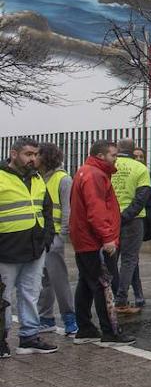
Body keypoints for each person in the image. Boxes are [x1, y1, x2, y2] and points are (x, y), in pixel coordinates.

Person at [68, 139, 134, 347]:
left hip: (84, 239)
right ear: (100, 156)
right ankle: (110, 331)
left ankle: (85, 327)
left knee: (87, 283)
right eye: (113, 155)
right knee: (103, 285)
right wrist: (107, 238)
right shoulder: (95, 175)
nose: (116, 159)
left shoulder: (85, 171)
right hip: (95, 241)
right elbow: (96, 210)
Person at [0, 137, 56, 354]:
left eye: (35, 154)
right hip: (7, 248)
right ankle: (1, 340)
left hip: (34, 247)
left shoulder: (36, 178)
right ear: (14, 154)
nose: (33, 159)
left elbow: (47, 209)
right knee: (3, 298)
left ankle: (29, 336)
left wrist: (47, 238)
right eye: (28, 154)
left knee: (31, 293)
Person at [36, 142, 76, 335]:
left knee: (58, 278)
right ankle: (45, 318)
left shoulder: (63, 179)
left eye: (37, 154)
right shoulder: (38, 178)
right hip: (40, 236)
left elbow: (68, 210)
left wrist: (62, 235)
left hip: (55, 237)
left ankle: (69, 318)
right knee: (44, 279)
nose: (34, 158)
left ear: (46, 157)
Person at [110, 138, 150, 314]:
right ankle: (121, 299)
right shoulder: (140, 168)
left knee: (111, 259)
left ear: (118, 149)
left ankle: (110, 295)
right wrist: (126, 215)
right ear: (133, 150)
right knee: (129, 260)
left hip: (110, 218)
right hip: (133, 220)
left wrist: (115, 216)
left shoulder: (110, 166)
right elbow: (142, 197)